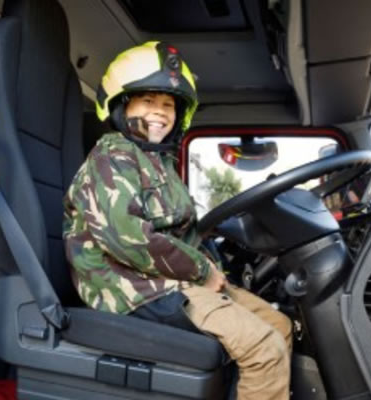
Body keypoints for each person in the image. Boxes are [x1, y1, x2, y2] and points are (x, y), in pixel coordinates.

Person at [63, 41, 292, 400]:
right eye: (148, 101)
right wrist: (203, 271)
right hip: (130, 289)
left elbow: (181, 231)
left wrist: (211, 264)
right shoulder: (113, 157)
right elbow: (129, 238)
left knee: (279, 327)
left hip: (170, 279)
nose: (160, 112)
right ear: (122, 104)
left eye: (168, 104)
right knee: (264, 349)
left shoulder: (160, 163)